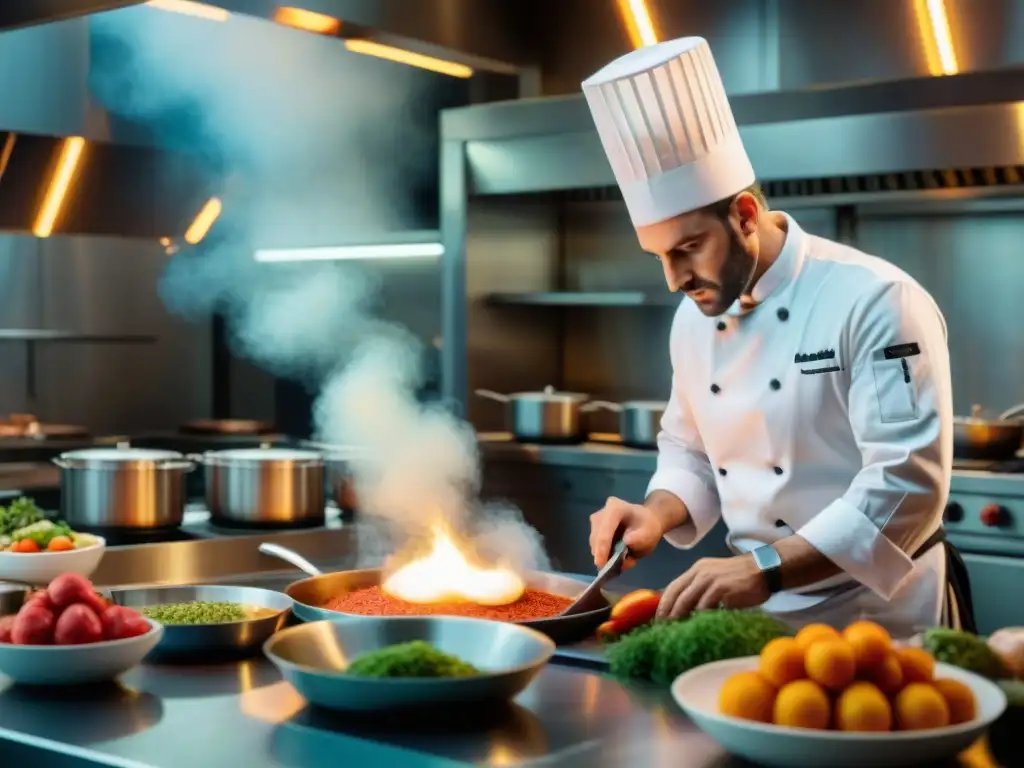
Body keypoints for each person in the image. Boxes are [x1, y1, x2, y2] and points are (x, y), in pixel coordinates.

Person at [582, 36, 974, 637]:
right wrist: (654, 515)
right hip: (759, 611)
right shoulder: (692, 318)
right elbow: (690, 449)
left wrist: (763, 567)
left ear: (743, 215)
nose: (673, 279)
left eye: (688, 249)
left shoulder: (875, 300)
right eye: (658, 256)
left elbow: (907, 485)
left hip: (880, 616)